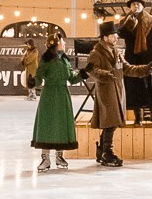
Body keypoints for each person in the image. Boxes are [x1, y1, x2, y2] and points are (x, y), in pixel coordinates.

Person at [27, 33, 79, 172]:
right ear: (55, 45)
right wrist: (33, 82)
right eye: (62, 41)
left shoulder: (65, 59)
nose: (64, 43)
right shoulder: (46, 59)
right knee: (47, 123)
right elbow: (39, 77)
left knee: (61, 123)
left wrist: (85, 73)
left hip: (63, 94)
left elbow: (72, 79)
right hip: (49, 95)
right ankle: (45, 157)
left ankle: (59, 156)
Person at [120, 0, 152, 124]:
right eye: (133, 4)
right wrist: (129, 24)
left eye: (138, 4)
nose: (136, 6)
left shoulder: (150, 21)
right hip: (131, 60)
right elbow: (120, 34)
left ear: (143, 6)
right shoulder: (125, 21)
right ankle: (138, 117)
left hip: (148, 59)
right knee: (134, 88)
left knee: (151, 87)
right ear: (130, 7)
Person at [87, 22, 127, 168]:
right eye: (113, 35)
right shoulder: (95, 53)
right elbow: (91, 69)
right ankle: (107, 152)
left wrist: (145, 69)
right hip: (106, 91)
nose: (116, 37)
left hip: (116, 90)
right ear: (105, 37)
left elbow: (127, 68)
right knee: (111, 121)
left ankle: (102, 151)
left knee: (112, 122)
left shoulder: (116, 52)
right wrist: (105, 74)